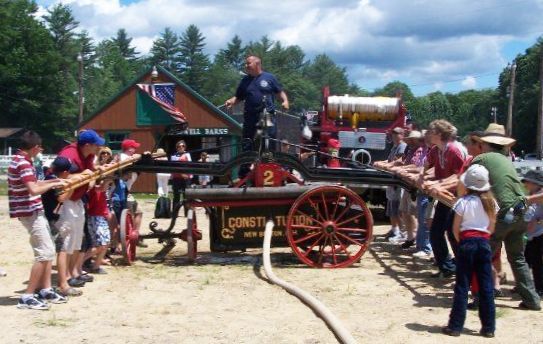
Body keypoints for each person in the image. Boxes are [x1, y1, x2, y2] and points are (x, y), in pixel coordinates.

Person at [472, 130, 541, 310]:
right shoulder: (506, 159)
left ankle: (481, 299)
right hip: (521, 210)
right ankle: (532, 300)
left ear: (486, 145)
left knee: (481, 256)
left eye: (481, 144)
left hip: (503, 213)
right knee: (517, 257)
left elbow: (466, 181)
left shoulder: (482, 159)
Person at [8, 130, 67, 309]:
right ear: (34, 147)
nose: (40, 151)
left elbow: (35, 184)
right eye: (40, 148)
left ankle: (46, 289)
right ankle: (27, 296)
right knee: (44, 253)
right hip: (30, 211)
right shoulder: (24, 164)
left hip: (33, 211)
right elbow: (33, 189)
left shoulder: (20, 160)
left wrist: (55, 182)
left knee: (47, 250)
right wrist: (55, 183)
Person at [442, 164, 497, 338]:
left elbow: (455, 228)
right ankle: (489, 327)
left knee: (462, 286)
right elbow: (492, 226)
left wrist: (461, 244)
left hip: (467, 243)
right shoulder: (491, 202)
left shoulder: (463, 202)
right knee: (486, 286)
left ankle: (455, 326)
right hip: (484, 242)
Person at [225, 55, 289, 174]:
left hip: (267, 115)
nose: (246, 66)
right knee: (247, 142)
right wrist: (231, 101)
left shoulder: (269, 78)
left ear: (257, 64)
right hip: (250, 116)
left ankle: (271, 167)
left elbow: (280, 93)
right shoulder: (245, 80)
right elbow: (238, 97)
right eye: (246, 63)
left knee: (269, 141)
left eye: (248, 63)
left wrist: (285, 101)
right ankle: (245, 171)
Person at [56, 129, 104, 288]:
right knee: (68, 239)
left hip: (78, 199)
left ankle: (74, 272)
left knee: (77, 239)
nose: (99, 147)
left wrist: (95, 172)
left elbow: (89, 172)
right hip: (67, 200)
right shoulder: (68, 155)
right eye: (97, 144)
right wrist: (83, 174)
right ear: (88, 145)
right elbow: (57, 177)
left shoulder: (89, 155)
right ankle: (67, 276)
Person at [419, 119, 465, 278]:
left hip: (456, 198)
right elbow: (432, 170)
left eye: (431, 132)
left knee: (453, 233)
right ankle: (445, 266)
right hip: (444, 197)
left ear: (438, 134)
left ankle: (460, 267)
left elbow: (459, 175)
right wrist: (423, 177)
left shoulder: (454, 150)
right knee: (436, 232)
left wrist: (439, 184)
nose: (428, 135)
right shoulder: (437, 150)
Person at [41, 156, 83, 297]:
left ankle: (48, 284)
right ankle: (63, 284)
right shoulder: (54, 182)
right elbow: (62, 198)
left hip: (50, 218)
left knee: (52, 251)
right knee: (61, 250)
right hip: (49, 219)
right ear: (64, 172)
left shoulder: (51, 177)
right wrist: (72, 186)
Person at [522, 170, 543, 296]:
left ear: (536, 183)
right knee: (526, 260)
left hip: (540, 233)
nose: (525, 184)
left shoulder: (540, 196)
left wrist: (537, 221)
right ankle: (526, 284)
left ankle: (539, 288)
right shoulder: (532, 194)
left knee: (537, 262)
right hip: (531, 234)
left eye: (527, 182)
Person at [171, 140, 192, 216]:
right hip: (176, 178)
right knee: (176, 196)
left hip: (186, 178)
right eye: (179, 146)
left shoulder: (188, 154)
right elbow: (174, 166)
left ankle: (187, 213)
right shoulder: (174, 156)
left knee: (186, 196)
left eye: (183, 146)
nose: (181, 147)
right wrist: (181, 173)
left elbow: (189, 164)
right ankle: (175, 213)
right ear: (177, 148)